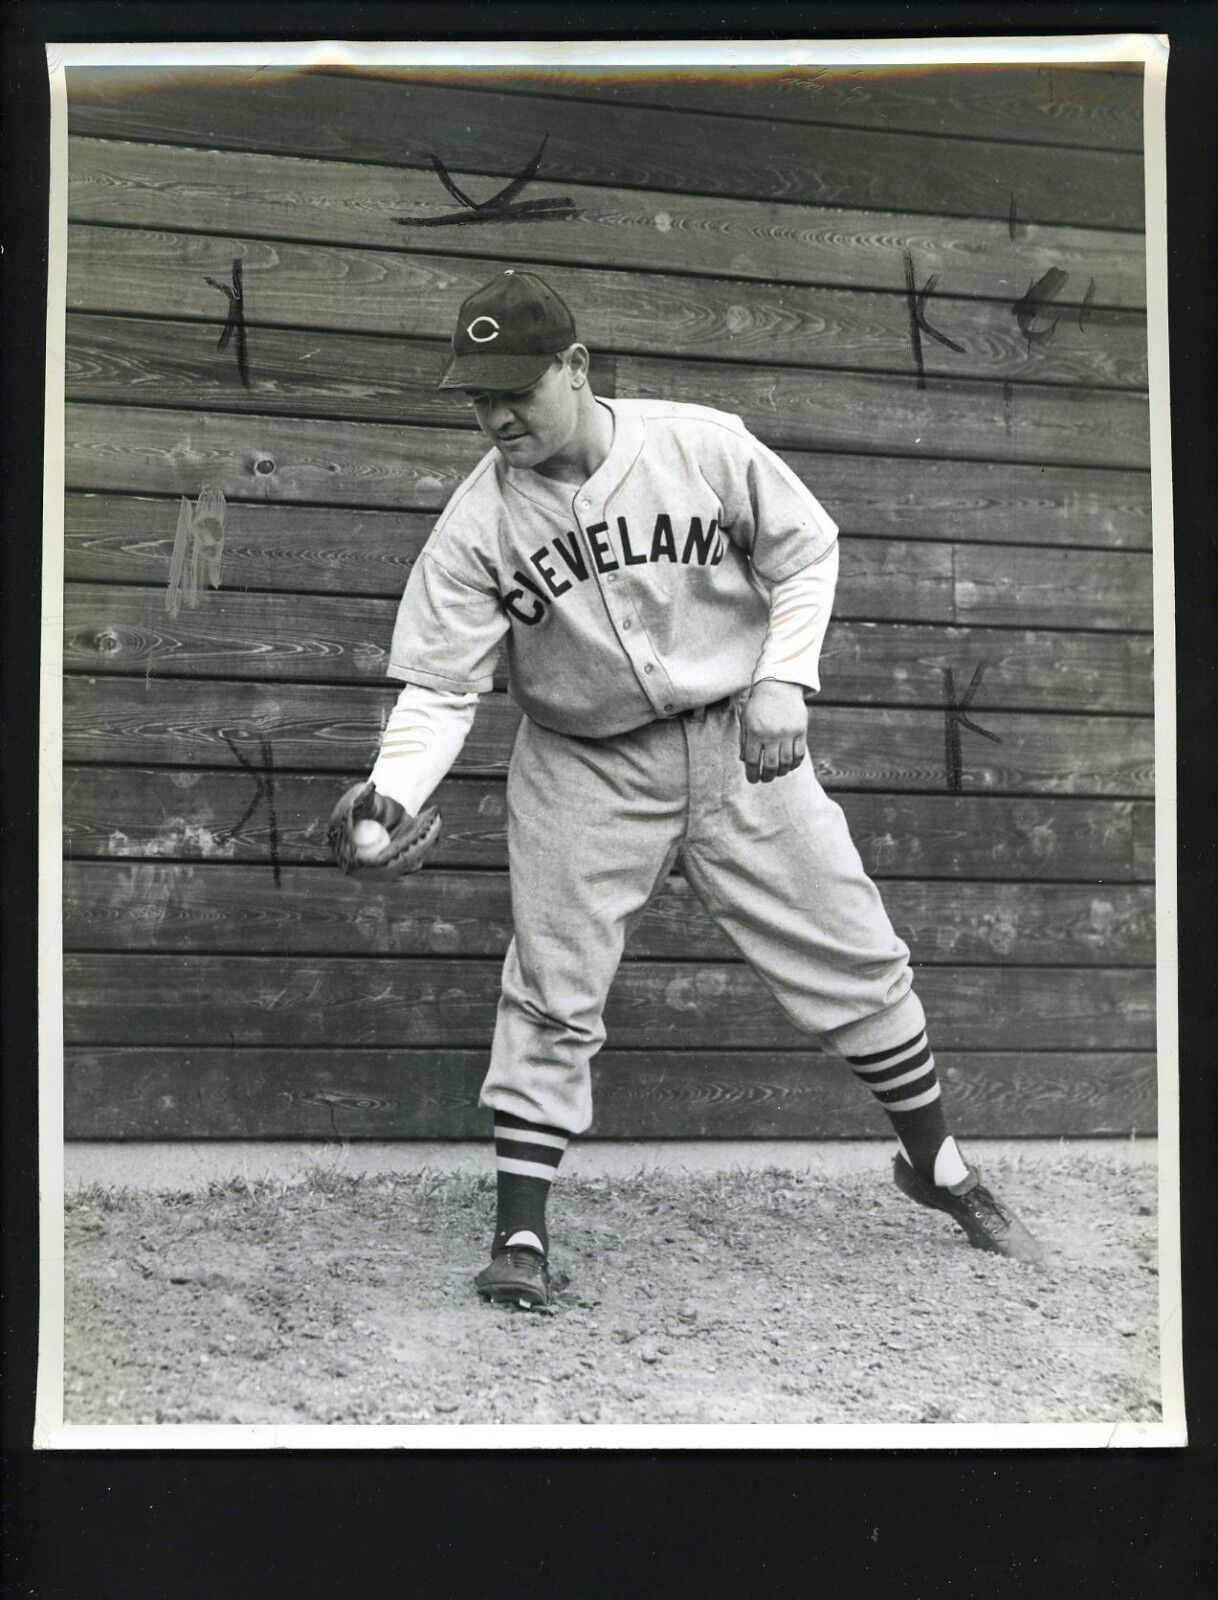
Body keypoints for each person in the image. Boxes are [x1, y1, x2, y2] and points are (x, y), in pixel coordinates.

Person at [329, 268, 1045, 1309]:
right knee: (551, 985)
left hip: (735, 738)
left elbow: (807, 552)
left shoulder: (696, 443)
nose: (495, 414)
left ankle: (939, 1170)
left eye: (515, 388)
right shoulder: (475, 524)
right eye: (476, 395)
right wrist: (389, 796)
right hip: (583, 760)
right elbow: (440, 688)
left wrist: (784, 678)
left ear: (574, 367)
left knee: (852, 947)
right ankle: (519, 1237)